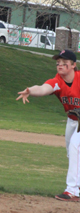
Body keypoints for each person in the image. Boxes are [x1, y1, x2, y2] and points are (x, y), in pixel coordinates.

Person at [16, 49, 80, 202]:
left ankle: (71, 191)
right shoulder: (58, 81)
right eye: (58, 62)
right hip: (73, 121)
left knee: (75, 147)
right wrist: (30, 91)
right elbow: (44, 88)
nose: (60, 65)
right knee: (72, 155)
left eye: (65, 63)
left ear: (73, 65)